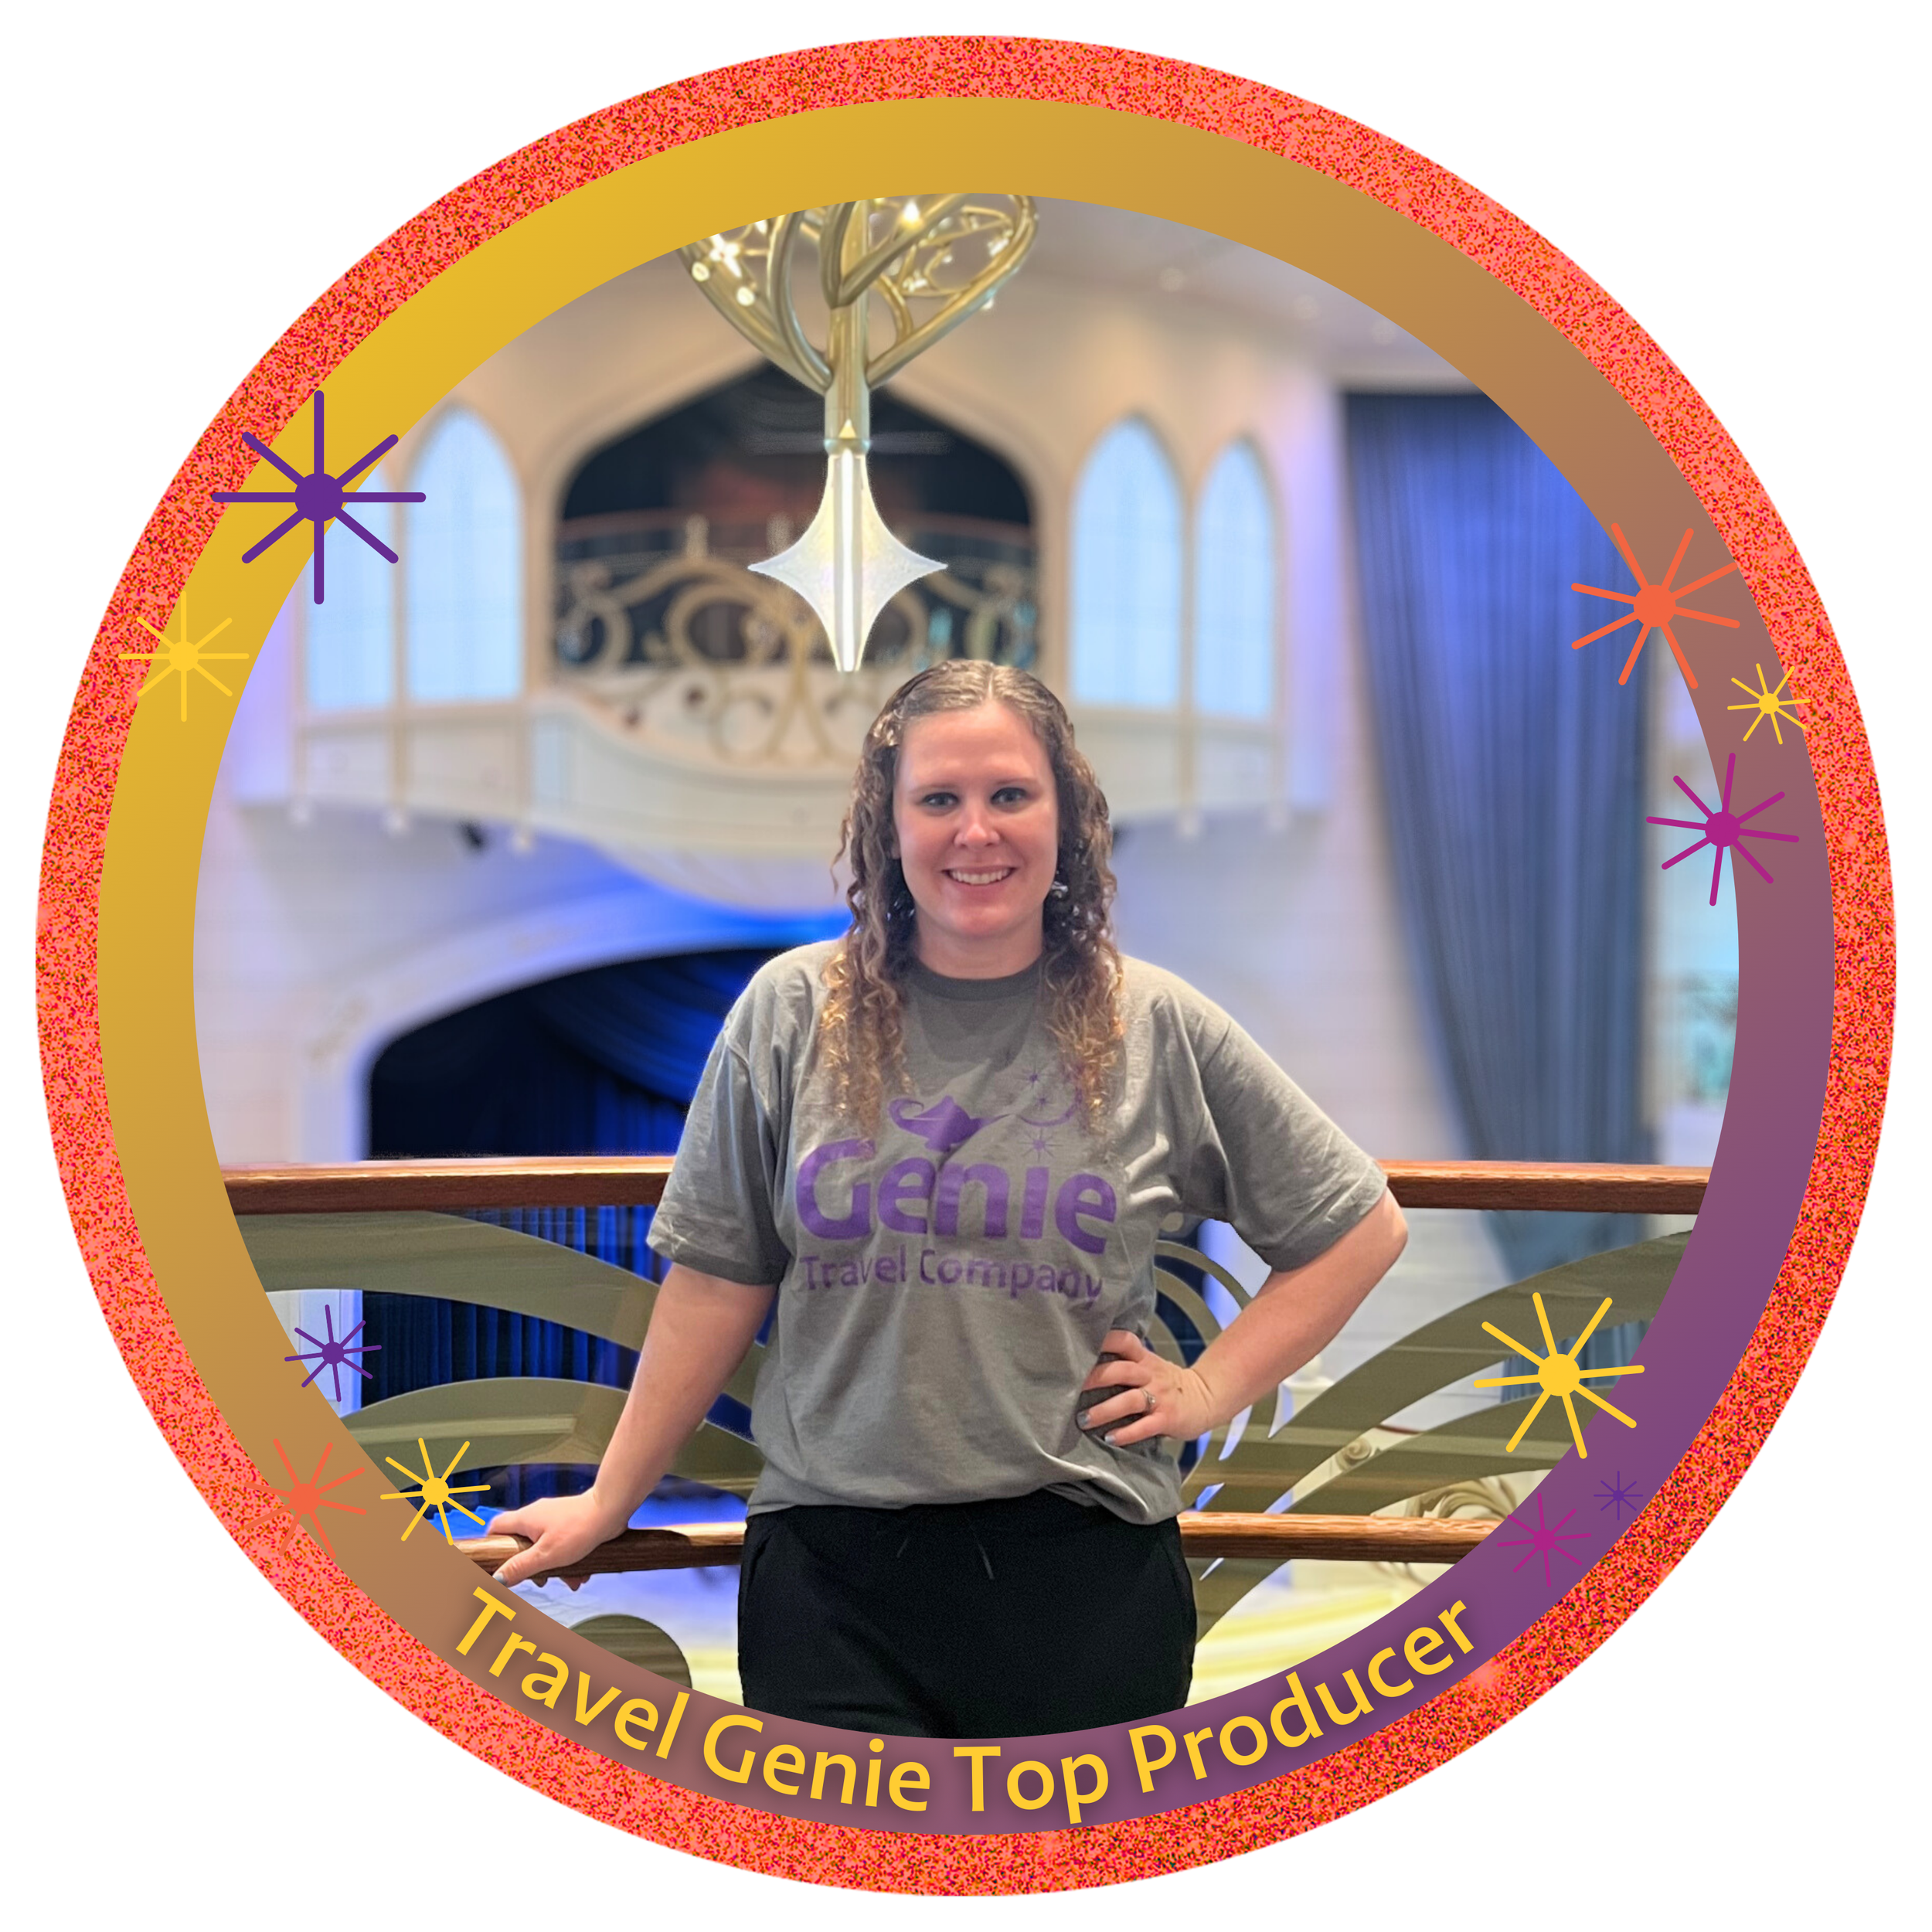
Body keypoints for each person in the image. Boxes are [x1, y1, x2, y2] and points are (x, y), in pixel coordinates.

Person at [489, 662, 1407, 1737]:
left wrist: (1207, 1390)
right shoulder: (791, 1012)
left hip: (1087, 1571)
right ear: (888, 829)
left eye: (1011, 795)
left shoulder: (1155, 1021)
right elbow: (715, 1281)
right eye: (940, 800)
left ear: (1068, 817)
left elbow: (1360, 1227)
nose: (978, 832)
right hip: (832, 1581)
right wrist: (611, 1499)